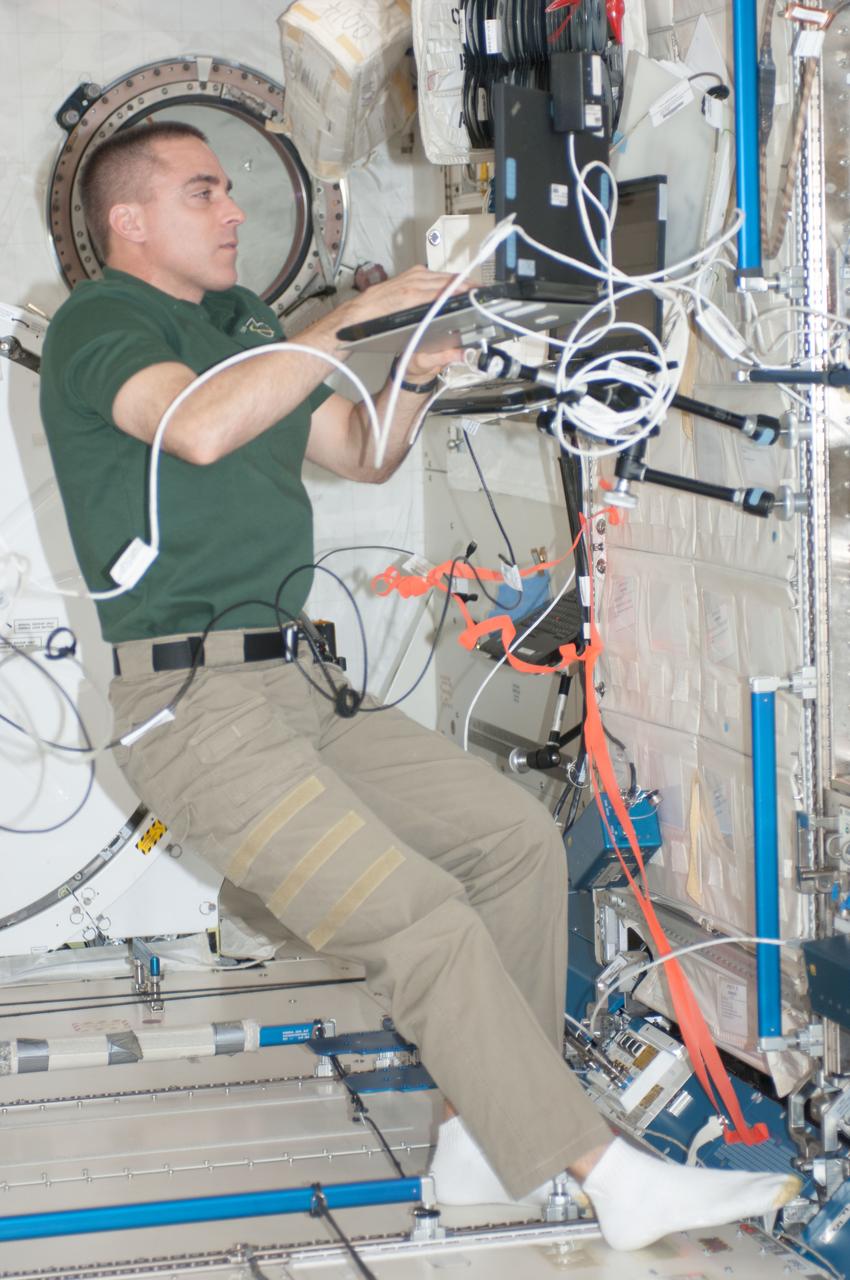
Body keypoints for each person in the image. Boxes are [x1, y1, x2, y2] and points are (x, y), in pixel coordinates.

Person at [39, 121, 800, 1252]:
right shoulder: (101, 323)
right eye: (205, 192)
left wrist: (409, 368)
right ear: (129, 220)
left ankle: (480, 1136)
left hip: (298, 685)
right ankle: (604, 1172)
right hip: (196, 711)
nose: (237, 210)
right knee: (421, 920)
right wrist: (350, 314)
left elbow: (360, 448)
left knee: (512, 843)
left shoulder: (241, 324)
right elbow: (197, 429)